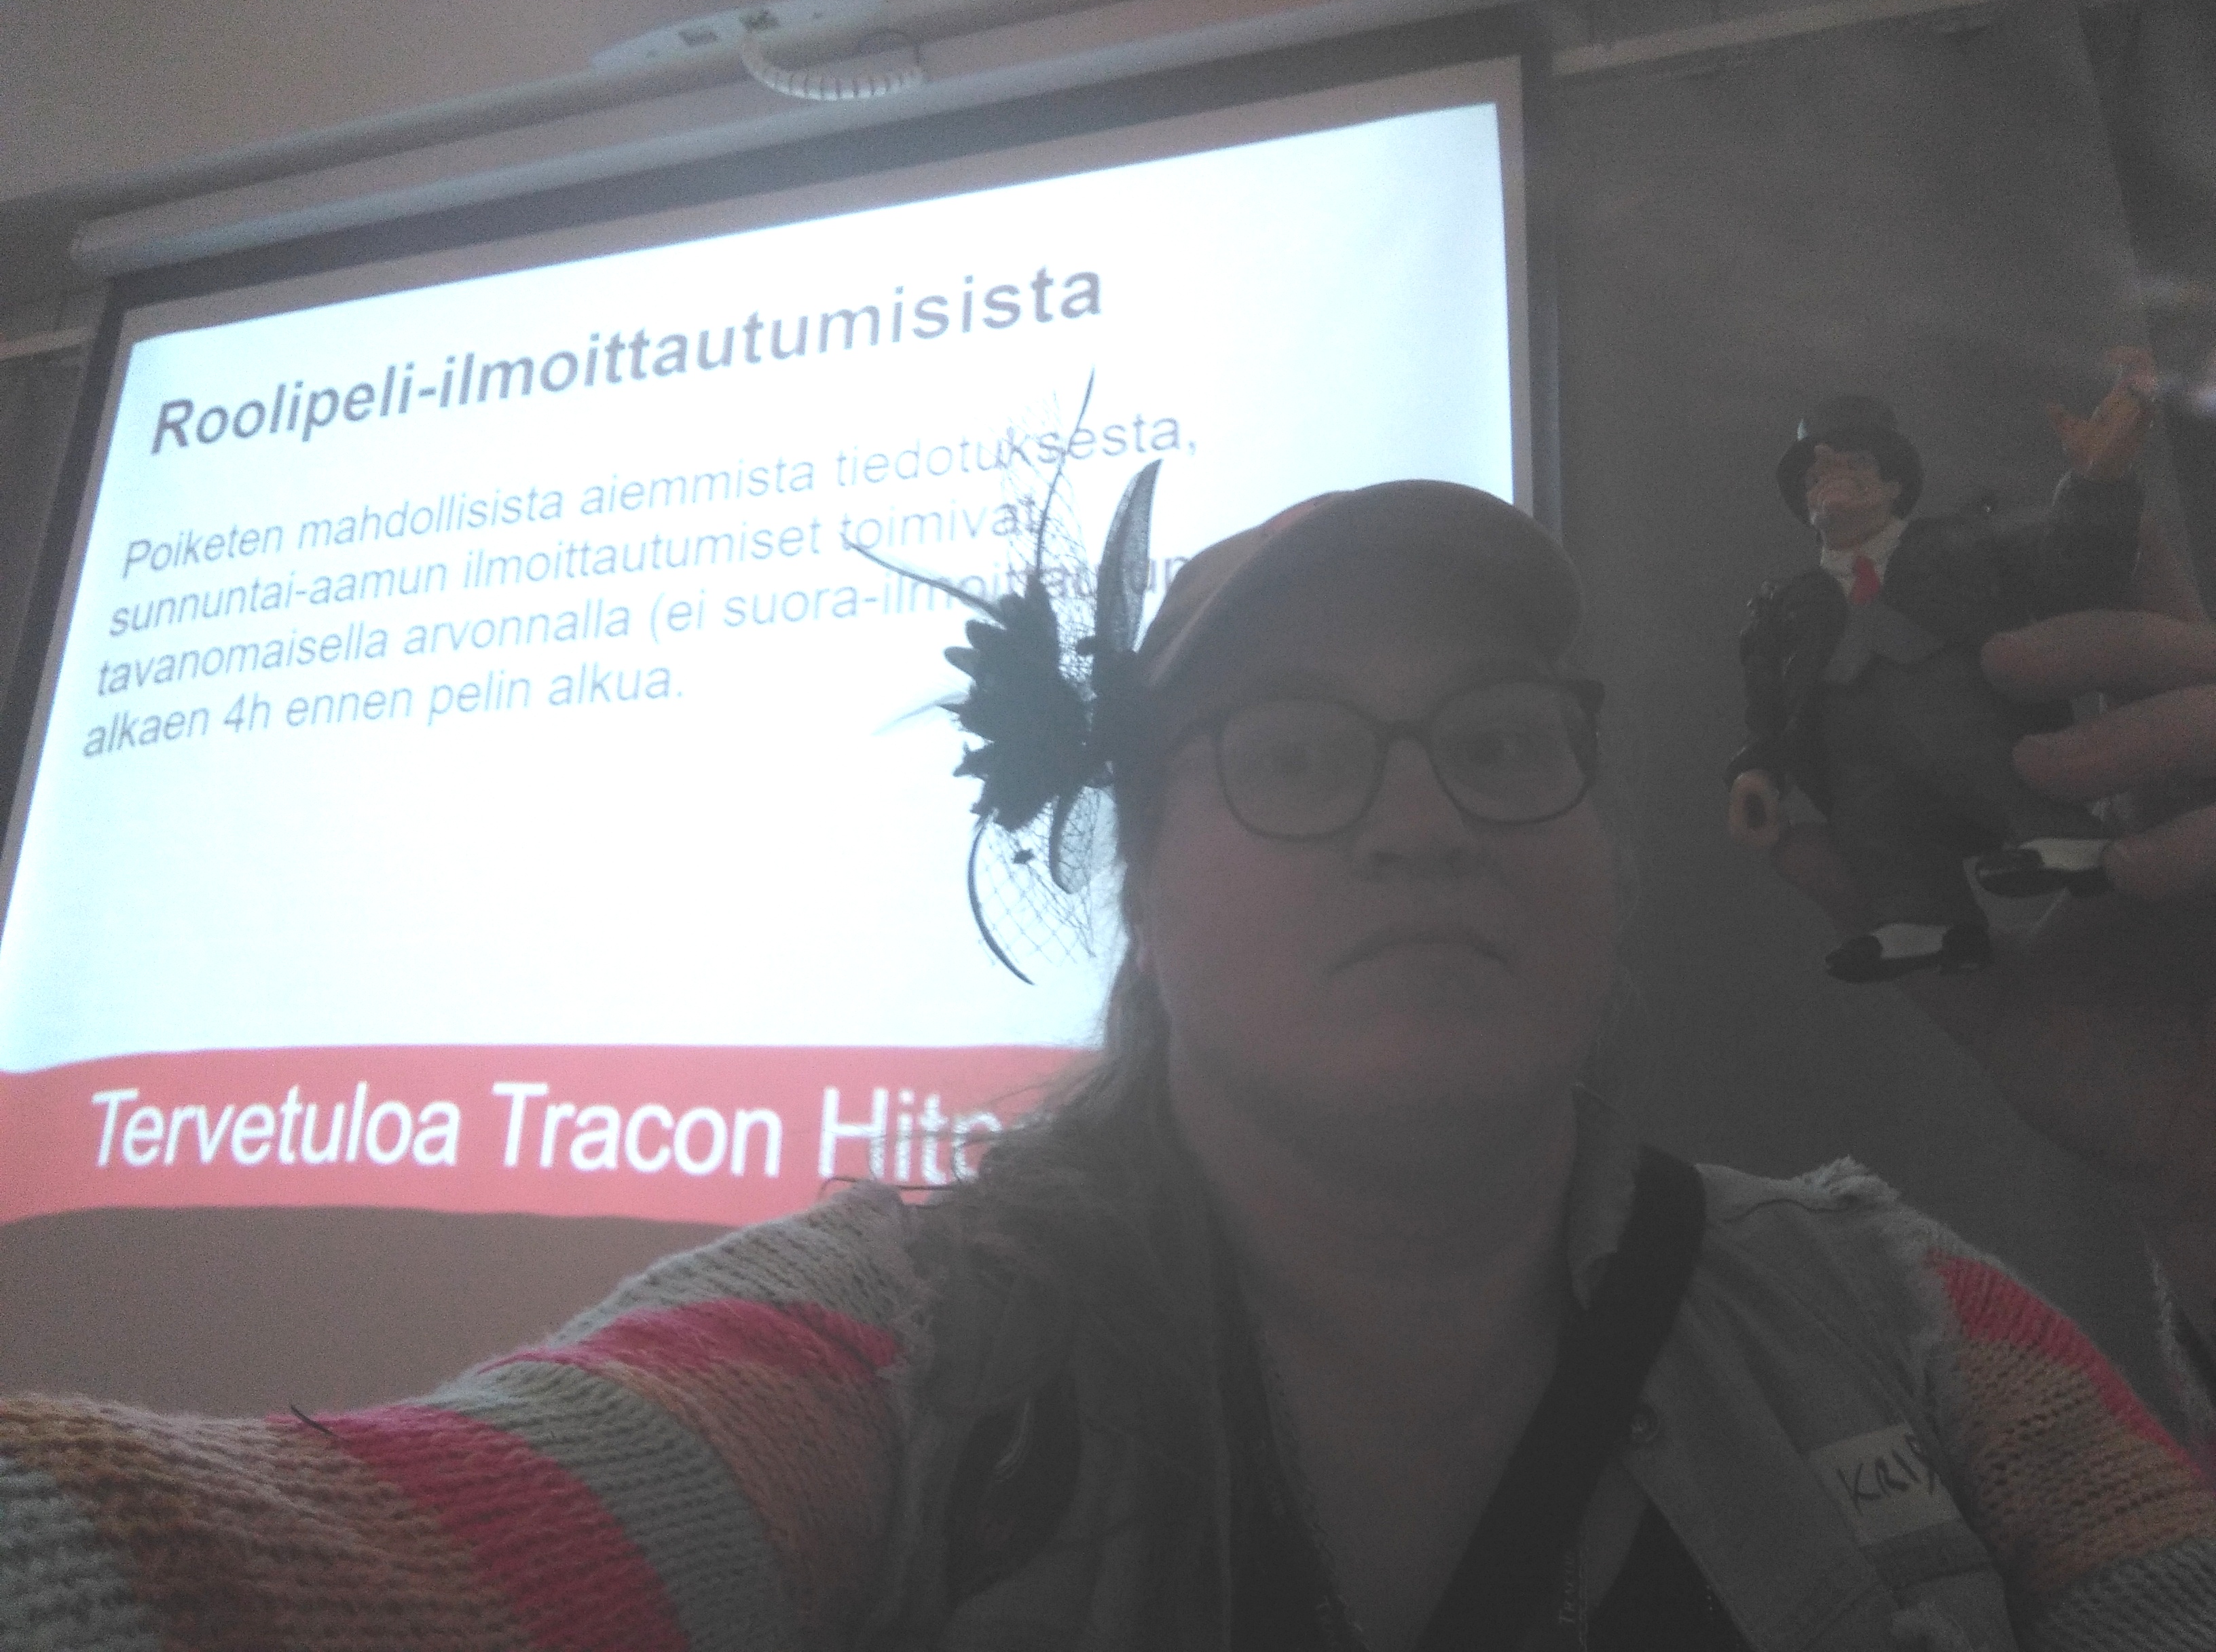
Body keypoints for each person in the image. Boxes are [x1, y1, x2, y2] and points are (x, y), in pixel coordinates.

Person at [5, 475, 2216, 1651]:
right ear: (1137, 884)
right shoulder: (890, 1357)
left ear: (1606, 850)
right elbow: (371, 1549)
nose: (1424, 816)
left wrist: (2198, 1157)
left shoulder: (1900, 1323)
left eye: (1499, 738)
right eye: (1294, 751)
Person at [1726, 355, 2159, 983]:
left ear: (1894, 484)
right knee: (1873, 821)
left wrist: (2097, 484)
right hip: (1848, 745)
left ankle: (2059, 836)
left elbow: (2068, 576)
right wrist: (1758, 771)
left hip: (1969, 704)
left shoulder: (1960, 543)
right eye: (1816, 474)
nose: (1830, 476)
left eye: (1855, 462)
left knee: (1982, 757)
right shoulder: (1789, 605)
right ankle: (1922, 916)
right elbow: (1766, 696)